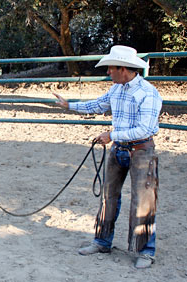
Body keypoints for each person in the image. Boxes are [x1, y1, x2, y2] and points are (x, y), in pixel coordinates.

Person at [53, 45, 162, 269]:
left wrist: (112, 134)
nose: (108, 72)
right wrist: (69, 105)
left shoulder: (148, 93)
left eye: (111, 68)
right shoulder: (116, 90)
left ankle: (145, 251)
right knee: (108, 196)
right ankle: (102, 241)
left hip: (141, 151)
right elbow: (96, 104)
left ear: (124, 68)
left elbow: (145, 129)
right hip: (119, 150)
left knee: (143, 201)